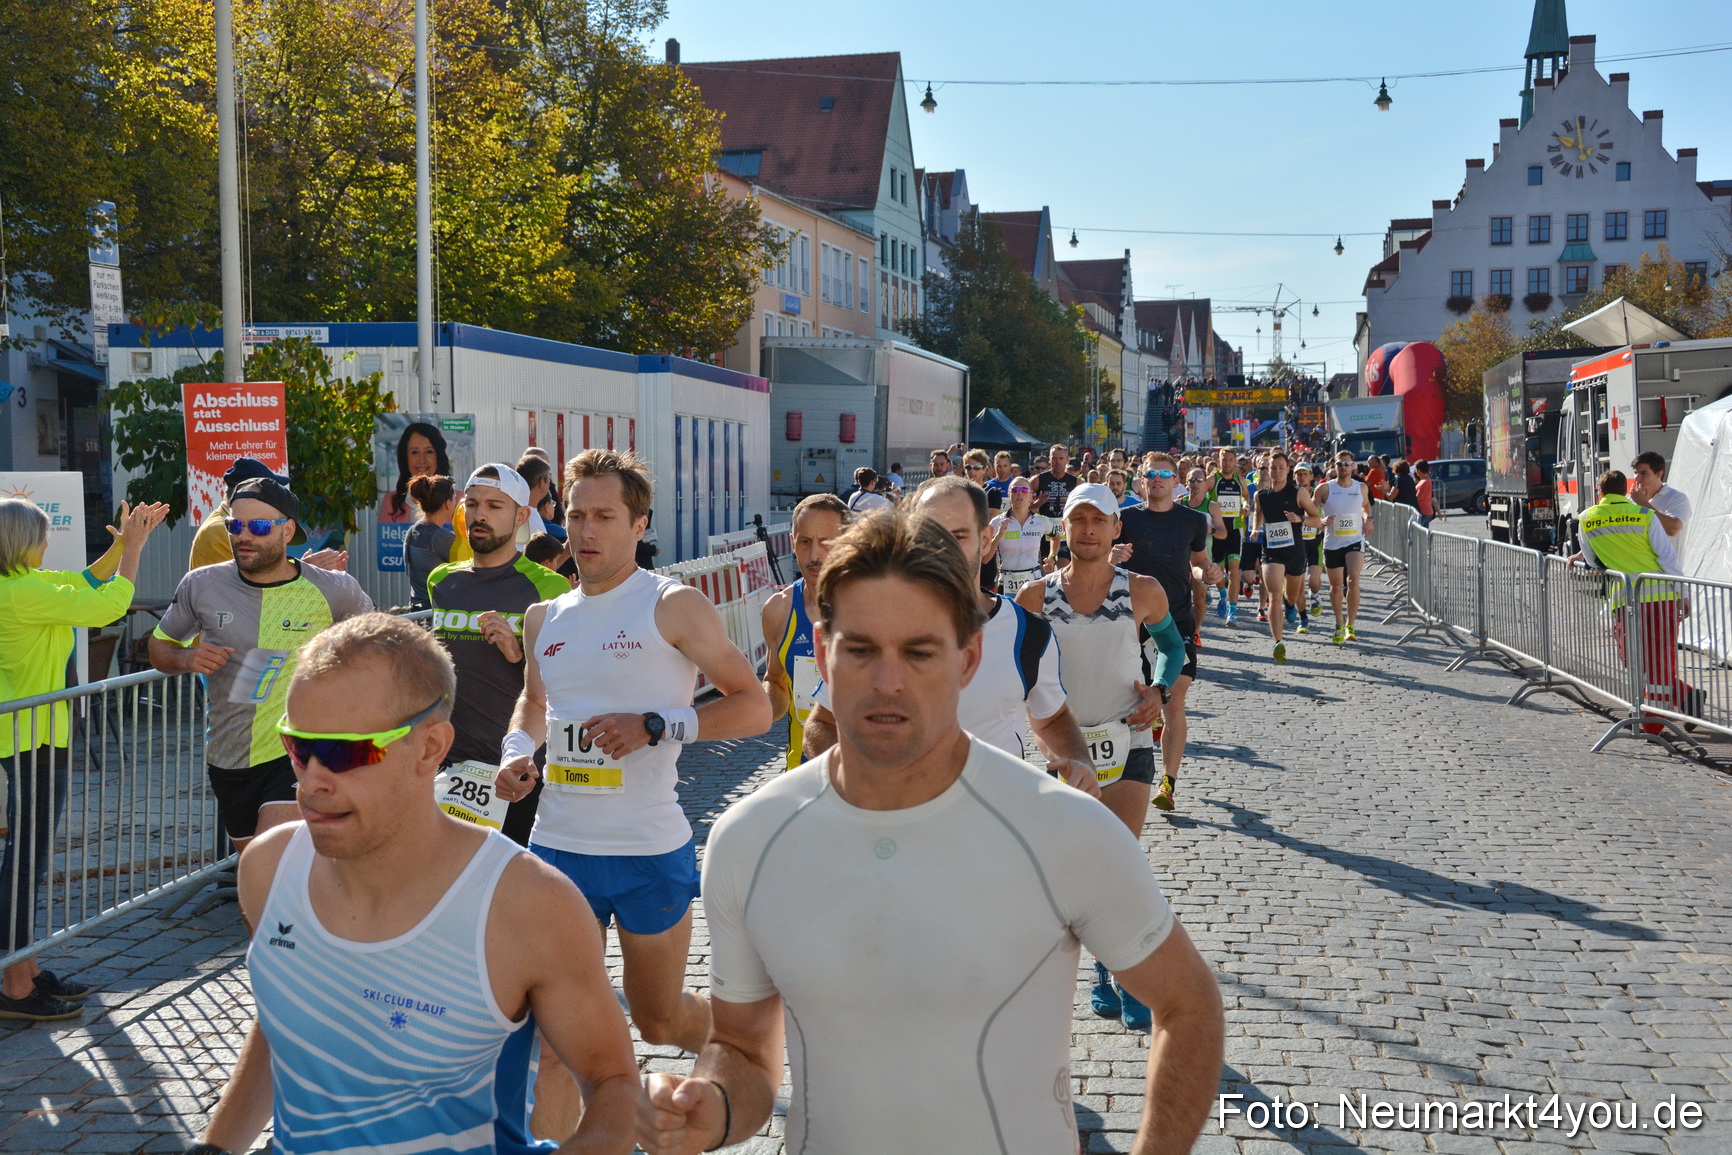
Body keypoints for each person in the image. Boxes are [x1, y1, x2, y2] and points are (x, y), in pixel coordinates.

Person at [637, 511, 1224, 1155]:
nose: (888, 682)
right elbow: (743, 1050)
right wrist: (712, 1108)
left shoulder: (1062, 828)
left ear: (968, 658)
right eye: (860, 650)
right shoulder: (750, 836)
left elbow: (1190, 1007)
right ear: (824, 653)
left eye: (919, 652)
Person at [193, 613, 640, 1155]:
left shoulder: (526, 903)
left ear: (430, 748)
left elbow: (612, 1083)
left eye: (344, 752)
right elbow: (287, 1021)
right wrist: (213, 1149)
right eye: (298, 747)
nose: (310, 780)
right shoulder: (268, 867)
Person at [493, 450, 771, 1063]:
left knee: (659, 1021)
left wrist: (657, 724)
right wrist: (517, 753)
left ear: (639, 524)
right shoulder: (544, 618)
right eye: (576, 514)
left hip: (645, 847)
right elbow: (535, 704)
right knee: (557, 1027)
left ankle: (742, 1049)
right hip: (559, 845)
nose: (586, 531)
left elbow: (754, 707)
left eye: (605, 517)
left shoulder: (673, 604)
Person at [802, 478, 1097, 796]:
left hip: (993, 827)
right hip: (897, 825)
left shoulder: (1027, 632)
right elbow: (823, 724)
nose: (943, 551)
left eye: (958, 536)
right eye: (930, 536)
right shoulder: (873, 627)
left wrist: (1079, 760)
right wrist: (859, 784)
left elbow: (1052, 718)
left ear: (985, 541)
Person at [1019, 484, 1188, 1032]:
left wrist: (1159, 691)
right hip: (1061, 747)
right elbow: (1014, 670)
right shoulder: (1033, 598)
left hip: (1127, 738)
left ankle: (1124, 975)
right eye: (1078, 520)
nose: (1088, 530)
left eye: (1099, 520)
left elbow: (1173, 647)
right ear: (1063, 529)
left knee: (1121, 858)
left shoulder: (1142, 591)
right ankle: (1092, 969)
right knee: (1073, 863)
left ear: (1118, 529)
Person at [0, 498, 168, 1022]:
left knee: (28, 861)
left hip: (34, 737)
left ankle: (22, 967)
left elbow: (82, 583)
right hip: (27, 742)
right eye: (42, 537)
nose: (48, 544)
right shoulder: (20, 592)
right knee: (25, 864)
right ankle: (14, 983)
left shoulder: (22, 583)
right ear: (21, 542)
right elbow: (109, 605)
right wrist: (135, 552)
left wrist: (120, 542)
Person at [151, 479, 374, 852]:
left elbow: (375, 649)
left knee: (272, 860)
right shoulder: (202, 585)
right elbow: (160, 647)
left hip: (300, 751)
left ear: (288, 530)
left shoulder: (335, 590)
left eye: (257, 527)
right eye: (235, 526)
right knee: (257, 880)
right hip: (229, 755)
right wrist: (186, 658)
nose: (243, 536)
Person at [427, 464, 572, 847]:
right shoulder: (442, 580)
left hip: (517, 766)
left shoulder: (548, 586)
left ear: (522, 516)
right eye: (472, 504)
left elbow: (570, 680)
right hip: (452, 763)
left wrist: (518, 653)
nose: (480, 515)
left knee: (513, 887)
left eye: (495, 505)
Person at [1115, 458, 1225, 816]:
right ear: (1141, 481)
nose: (1159, 480)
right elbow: (1103, 562)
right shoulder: (1126, 519)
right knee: (1131, 698)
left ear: (1177, 481)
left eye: (1165, 475)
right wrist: (1112, 556)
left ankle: (1168, 783)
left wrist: (1207, 572)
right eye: (1152, 475)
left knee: (1174, 700)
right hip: (1132, 623)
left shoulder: (1194, 521)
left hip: (1176, 618)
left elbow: (1195, 561)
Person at [1573, 470, 1693, 734]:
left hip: (1625, 598)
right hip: (1661, 597)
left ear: (1599, 491)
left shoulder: (1586, 519)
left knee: (1634, 659)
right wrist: (1683, 594)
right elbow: (1667, 559)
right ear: (1624, 488)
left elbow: (1593, 561)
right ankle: (1670, 709)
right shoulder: (1645, 515)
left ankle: (1649, 719)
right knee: (1659, 660)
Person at [761, 494, 849, 770]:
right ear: (792, 543)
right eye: (805, 542)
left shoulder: (872, 611)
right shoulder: (778, 609)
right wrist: (757, 706)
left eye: (826, 542)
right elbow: (775, 681)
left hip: (860, 778)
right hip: (800, 773)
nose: (814, 556)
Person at [1252, 451, 1321, 664]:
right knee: (1273, 594)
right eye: (1273, 468)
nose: (1277, 471)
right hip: (1271, 552)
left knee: (1291, 595)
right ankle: (1277, 642)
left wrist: (1299, 518)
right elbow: (1258, 513)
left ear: (1287, 469)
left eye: (1281, 467)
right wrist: (1255, 528)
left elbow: (1317, 520)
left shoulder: (1298, 493)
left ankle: (1290, 605)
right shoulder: (1260, 495)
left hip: (1295, 553)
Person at [1316, 452, 1375, 644]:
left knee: (1353, 580)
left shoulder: (1361, 487)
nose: (1343, 467)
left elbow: (1366, 506)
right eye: (1340, 464)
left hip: (1354, 540)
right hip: (1333, 542)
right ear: (1334, 466)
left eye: (1347, 464)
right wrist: (1322, 520)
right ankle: (1339, 622)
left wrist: (1368, 519)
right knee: (1335, 587)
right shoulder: (1324, 488)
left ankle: (1351, 625)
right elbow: (1310, 510)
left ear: (1353, 467)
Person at [190, 458, 287, 572]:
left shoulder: (226, 524)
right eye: (270, 492)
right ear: (247, 493)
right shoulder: (222, 529)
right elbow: (255, 579)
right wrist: (299, 572)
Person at [990, 478, 1054, 597]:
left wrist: (1052, 556)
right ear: (1009, 495)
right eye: (1015, 490)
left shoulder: (1041, 521)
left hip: (1034, 579)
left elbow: (1055, 537)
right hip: (1007, 581)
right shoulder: (997, 521)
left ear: (1030, 496)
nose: (1019, 493)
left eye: (1024, 490)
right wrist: (999, 535)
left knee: (1033, 615)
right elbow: (986, 554)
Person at [1207, 449, 1250, 625]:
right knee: (1219, 572)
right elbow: (1200, 496)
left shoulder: (1240, 481)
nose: (1227, 463)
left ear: (1235, 462)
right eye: (1224, 460)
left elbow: (1246, 497)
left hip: (1234, 530)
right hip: (1217, 531)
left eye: (1230, 460)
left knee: (1234, 571)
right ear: (1219, 460)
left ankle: (1232, 612)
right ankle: (1223, 594)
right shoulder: (1212, 480)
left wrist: (1246, 506)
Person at [379, 421, 451, 524]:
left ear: (438, 457)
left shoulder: (457, 501)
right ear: (406, 458)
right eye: (415, 452)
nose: (422, 460)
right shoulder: (390, 502)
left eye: (429, 451)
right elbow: (384, 540)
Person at [404, 473, 456, 607]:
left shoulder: (412, 531)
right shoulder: (442, 537)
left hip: (416, 610)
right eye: (454, 499)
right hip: (436, 614)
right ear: (447, 504)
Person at [1631, 450, 1691, 557]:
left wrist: (1644, 505)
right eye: (1635, 473)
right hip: (1638, 569)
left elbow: (1673, 529)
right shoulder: (1631, 501)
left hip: (1666, 571)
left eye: (1643, 473)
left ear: (1659, 473)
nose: (1637, 479)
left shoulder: (1676, 498)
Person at [1294, 462, 1326, 610]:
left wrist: (1324, 522)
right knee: (1297, 584)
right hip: (1295, 545)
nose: (1302, 478)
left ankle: (1314, 594)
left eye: (1305, 474)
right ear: (1294, 476)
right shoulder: (1290, 494)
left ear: (1311, 476)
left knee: (1313, 580)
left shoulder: (1318, 494)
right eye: (1299, 474)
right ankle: (1302, 616)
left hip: (1314, 544)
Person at [1030, 443, 1080, 520]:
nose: (1058, 462)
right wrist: (1036, 504)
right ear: (1049, 459)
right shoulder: (1036, 480)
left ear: (1067, 459)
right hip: (1043, 525)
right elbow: (1021, 506)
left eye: (1061, 458)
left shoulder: (1077, 482)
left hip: (1066, 525)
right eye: (1054, 459)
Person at [1413, 459, 1436, 528]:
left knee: (1418, 533)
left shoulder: (1424, 482)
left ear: (1419, 470)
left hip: (1423, 511)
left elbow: (1418, 498)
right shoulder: (1426, 480)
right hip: (1426, 511)